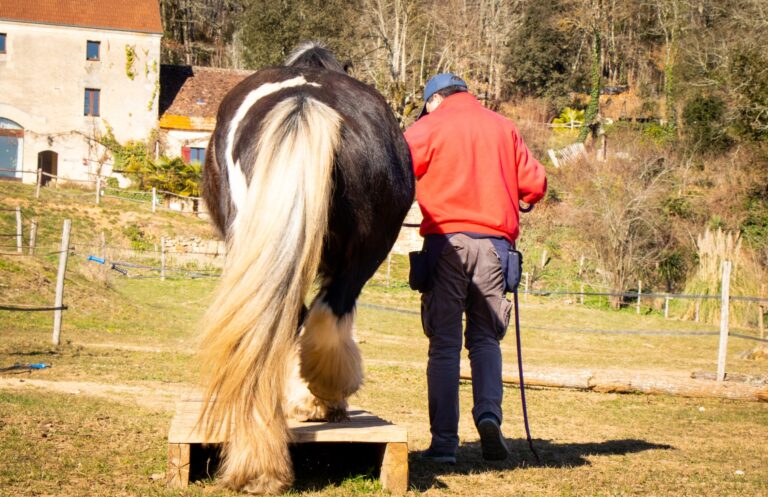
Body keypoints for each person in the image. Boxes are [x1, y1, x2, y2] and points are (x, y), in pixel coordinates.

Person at [404, 73, 547, 463]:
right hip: (495, 247)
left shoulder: (428, 126)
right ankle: (488, 415)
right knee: (485, 340)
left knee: (445, 345)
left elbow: (397, 165)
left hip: (447, 244)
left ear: (434, 101)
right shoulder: (505, 126)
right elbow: (535, 183)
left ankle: (445, 445)